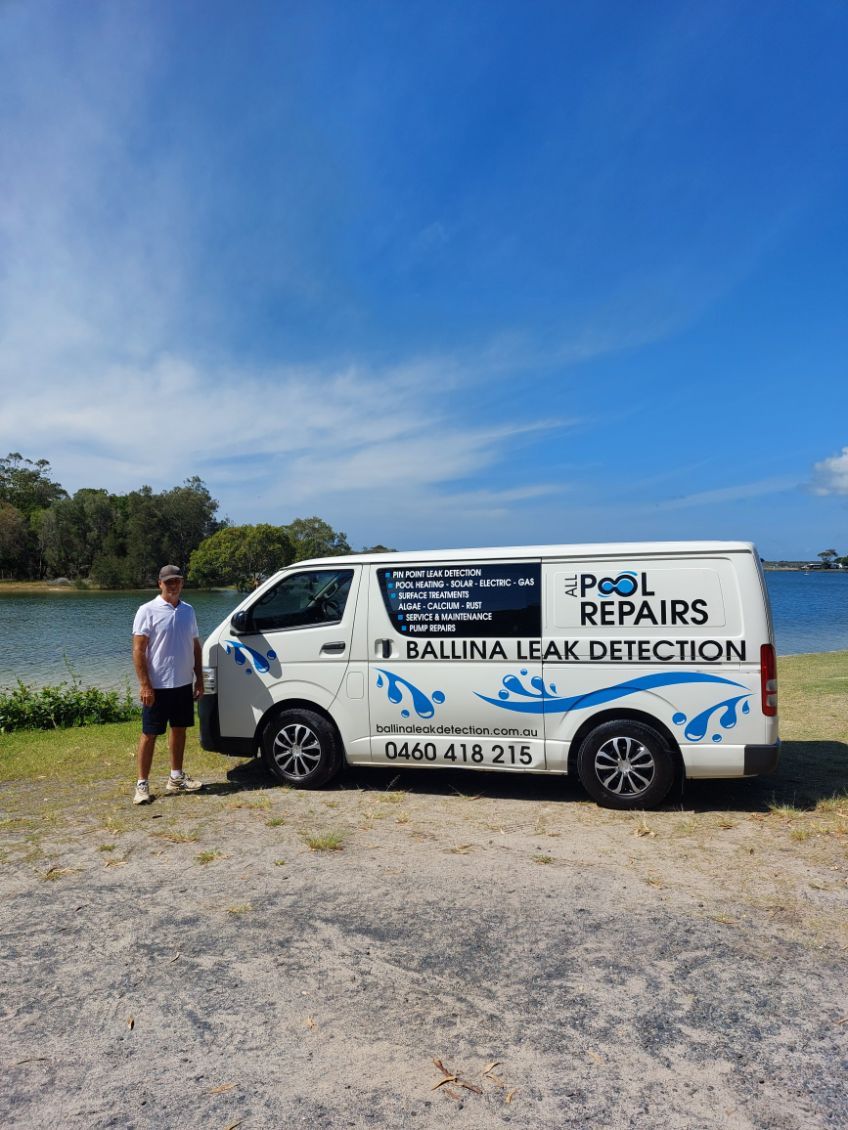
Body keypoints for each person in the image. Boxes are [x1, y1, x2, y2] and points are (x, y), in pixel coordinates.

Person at [131, 565, 204, 804]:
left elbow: (195, 646)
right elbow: (139, 650)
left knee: (180, 729)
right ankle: (142, 785)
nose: (174, 586)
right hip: (157, 686)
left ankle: (176, 777)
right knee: (149, 733)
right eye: (169, 582)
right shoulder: (147, 610)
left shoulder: (188, 611)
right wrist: (145, 685)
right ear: (159, 584)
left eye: (178, 581)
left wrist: (199, 678)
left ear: (182, 583)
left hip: (183, 683)